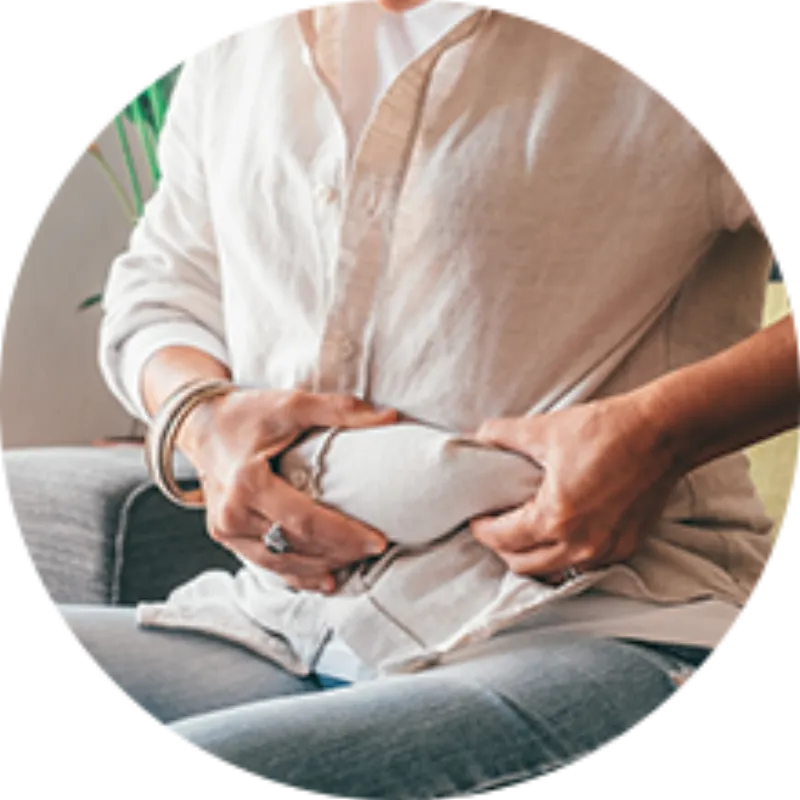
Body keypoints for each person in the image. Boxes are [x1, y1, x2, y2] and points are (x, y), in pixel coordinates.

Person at [50, 1, 797, 796]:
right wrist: (202, 418)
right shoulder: (242, 43)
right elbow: (164, 283)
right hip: (281, 623)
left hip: (595, 622)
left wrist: (660, 432)